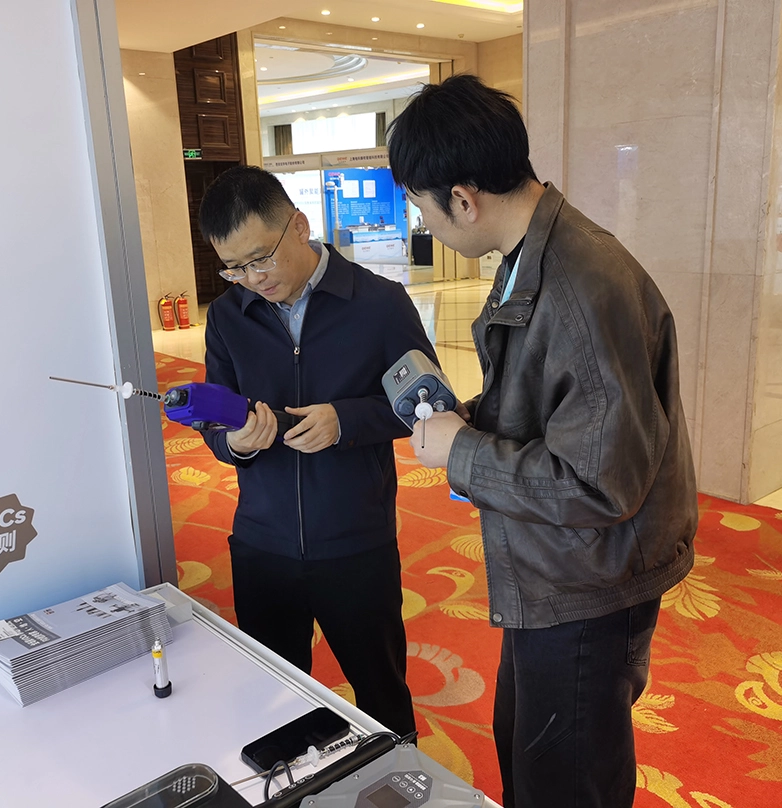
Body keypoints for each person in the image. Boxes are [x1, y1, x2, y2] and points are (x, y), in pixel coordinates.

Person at [387, 74, 699, 807]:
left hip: (587, 582)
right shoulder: (535, 256)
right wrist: (467, 419)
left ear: (463, 199)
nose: (426, 224)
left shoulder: (577, 285)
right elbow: (554, 407)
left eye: (422, 208)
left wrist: (462, 452)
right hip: (557, 569)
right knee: (535, 760)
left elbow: (601, 484)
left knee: (566, 782)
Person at [197, 166, 436, 738]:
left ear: (299, 226)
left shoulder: (379, 303)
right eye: (234, 268)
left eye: (261, 259)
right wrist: (232, 443)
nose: (252, 279)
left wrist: (345, 421)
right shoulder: (228, 316)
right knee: (274, 699)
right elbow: (213, 415)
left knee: (380, 692)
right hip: (263, 542)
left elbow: (427, 405)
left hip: (355, 541)